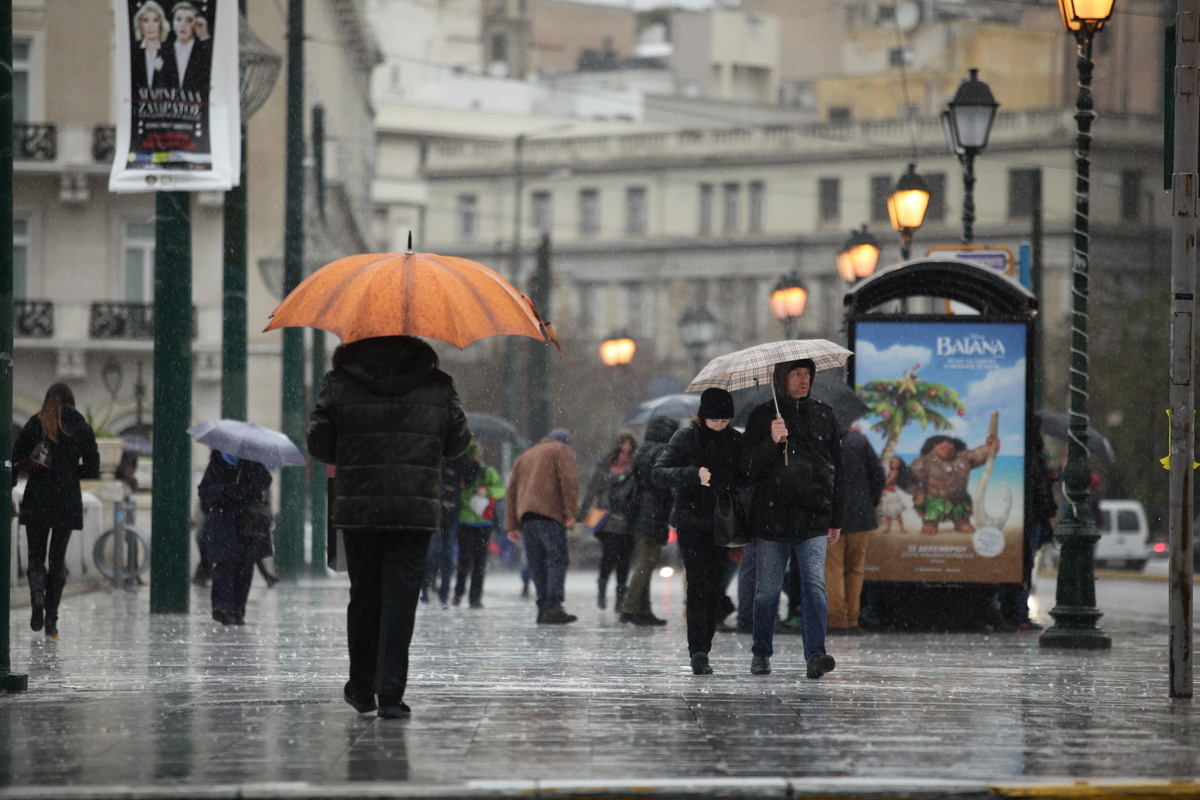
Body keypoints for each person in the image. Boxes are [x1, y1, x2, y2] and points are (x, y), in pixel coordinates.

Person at [308, 335, 471, 720]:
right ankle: (391, 695)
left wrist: (352, 451)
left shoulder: (339, 383)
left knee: (365, 595)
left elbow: (319, 442)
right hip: (414, 508)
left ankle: (361, 688)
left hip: (360, 506)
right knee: (400, 599)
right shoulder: (439, 384)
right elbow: (457, 443)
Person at [743, 359, 842, 680]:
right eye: (796, 374)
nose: (804, 380)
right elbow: (747, 470)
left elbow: (837, 469)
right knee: (767, 591)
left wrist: (835, 515)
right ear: (781, 378)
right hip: (772, 518)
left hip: (813, 517)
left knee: (814, 586)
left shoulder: (824, 415)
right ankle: (761, 652)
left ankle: (816, 654)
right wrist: (771, 442)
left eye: (808, 374)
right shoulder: (762, 416)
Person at [652, 388, 745, 676]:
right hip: (692, 523)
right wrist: (693, 474)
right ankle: (699, 651)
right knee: (698, 585)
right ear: (703, 417)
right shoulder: (685, 438)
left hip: (723, 524)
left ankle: (705, 644)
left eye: (725, 419)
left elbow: (749, 474)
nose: (720, 424)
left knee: (715, 587)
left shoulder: (736, 441)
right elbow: (659, 473)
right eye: (714, 419)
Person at [12, 383, 100, 640]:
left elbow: (15, 459)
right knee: (56, 559)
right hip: (67, 499)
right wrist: (72, 473)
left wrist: (10, 491)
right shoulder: (81, 427)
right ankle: (51, 621)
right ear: (71, 401)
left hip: (37, 497)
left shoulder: (34, 424)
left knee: (36, 557)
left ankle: (38, 598)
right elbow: (93, 468)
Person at [504, 429, 579, 625]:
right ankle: (553, 605)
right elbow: (568, 480)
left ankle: (543, 606)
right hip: (550, 514)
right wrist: (570, 511)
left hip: (527, 517)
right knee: (556, 558)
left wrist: (512, 524)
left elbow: (511, 491)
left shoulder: (525, 456)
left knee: (536, 562)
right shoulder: (561, 450)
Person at [197, 449, 272, 626]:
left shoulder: (254, 461)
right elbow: (204, 491)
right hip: (223, 522)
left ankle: (238, 610)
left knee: (245, 566)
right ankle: (222, 607)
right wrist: (225, 491)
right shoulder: (217, 462)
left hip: (249, 522)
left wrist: (248, 479)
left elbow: (264, 482)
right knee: (224, 564)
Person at [825, 426, 885, 635]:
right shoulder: (859, 441)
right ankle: (852, 618)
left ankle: (838, 620)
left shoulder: (819, 440)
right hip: (861, 517)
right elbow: (878, 474)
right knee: (855, 570)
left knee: (832, 570)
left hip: (830, 517)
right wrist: (870, 502)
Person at [621, 415, 679, 626]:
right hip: (653, 513)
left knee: (645, 561)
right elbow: (663, 482)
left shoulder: (642, 450)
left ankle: (643, 610)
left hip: (639, 512)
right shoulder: (662, 452)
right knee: (648, 561)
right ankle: (629, 607)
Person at [580, 432, 637, 611]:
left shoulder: (636, 469)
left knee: (624, 560)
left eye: (628, 452)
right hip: (608, 521)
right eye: (622, 451)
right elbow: (592, 490)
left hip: (629, 521)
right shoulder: (604, 467)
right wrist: (582, 513)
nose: (624, 455)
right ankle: (602, 592)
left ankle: (620, 598)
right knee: (609, 556)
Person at [909, 434, 1000, 535]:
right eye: (945, 447)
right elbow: (909, 479)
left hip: (959, 500)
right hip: (934, 500)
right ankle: (930, 524)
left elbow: (978, 454)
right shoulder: (923, 462)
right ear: (935, 445)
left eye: (951, 447)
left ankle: (961, 523)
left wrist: (989, 447)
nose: (948, 449)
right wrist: (918, 493)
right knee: (932, 516)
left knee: (962, 516)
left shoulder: (963, 457)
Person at [453, 441, 505, 609]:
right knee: (464, 559)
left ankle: (475, 597)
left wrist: (487, 492)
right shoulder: (460, 473)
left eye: (480, 454)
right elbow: (454, 492)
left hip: (484, 522)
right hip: (465, 521)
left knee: (480, 561)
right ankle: (458, 592)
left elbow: (500, 489)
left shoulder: (486, 472)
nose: (478, 458)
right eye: (475, 455)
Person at [425, 453, 476, 607]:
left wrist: (471, 463)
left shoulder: (459, 459)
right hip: (435, 513)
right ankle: (426, 586)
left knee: (447, 555)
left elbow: (468, 479)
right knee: (433, 553)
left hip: (451, 514)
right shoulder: (435, 457)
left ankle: (444, 592)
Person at [131, 1, 169, 93]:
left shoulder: (169, 52)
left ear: (161, 24)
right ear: (140, 24)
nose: (151, 25)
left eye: (155, 20)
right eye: (146, 20)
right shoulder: (134, 52)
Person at [878, 456, 914, 533]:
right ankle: (889, 528)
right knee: (887, 512)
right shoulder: (890, 471)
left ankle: (901, 528)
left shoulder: (895, 472)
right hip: (887, 493)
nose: (894, 463)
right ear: (891, 463)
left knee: (896, 512)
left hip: (891, 493)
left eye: (897, 462)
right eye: (893, 462)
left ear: (900, 464)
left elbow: (887, 482)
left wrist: (879, 485)